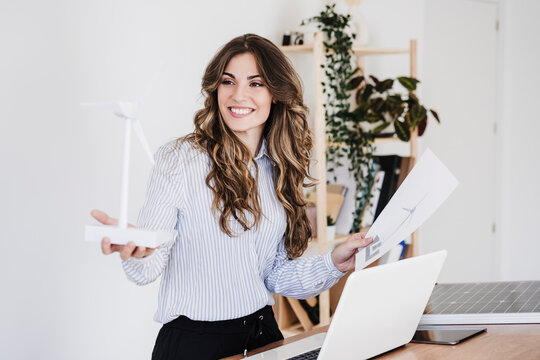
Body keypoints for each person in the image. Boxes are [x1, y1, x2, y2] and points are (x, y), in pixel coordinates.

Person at [92, 33, 373, 360]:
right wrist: (136, 249)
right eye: (229, 81)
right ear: (216, 89)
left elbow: (275, 275)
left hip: (264, 338)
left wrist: (334, 263)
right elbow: (147, 268)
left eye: (255, 83)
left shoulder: (278, 167)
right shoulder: (180, 160)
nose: (239, 95)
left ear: (276, 94)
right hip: (196, 346)